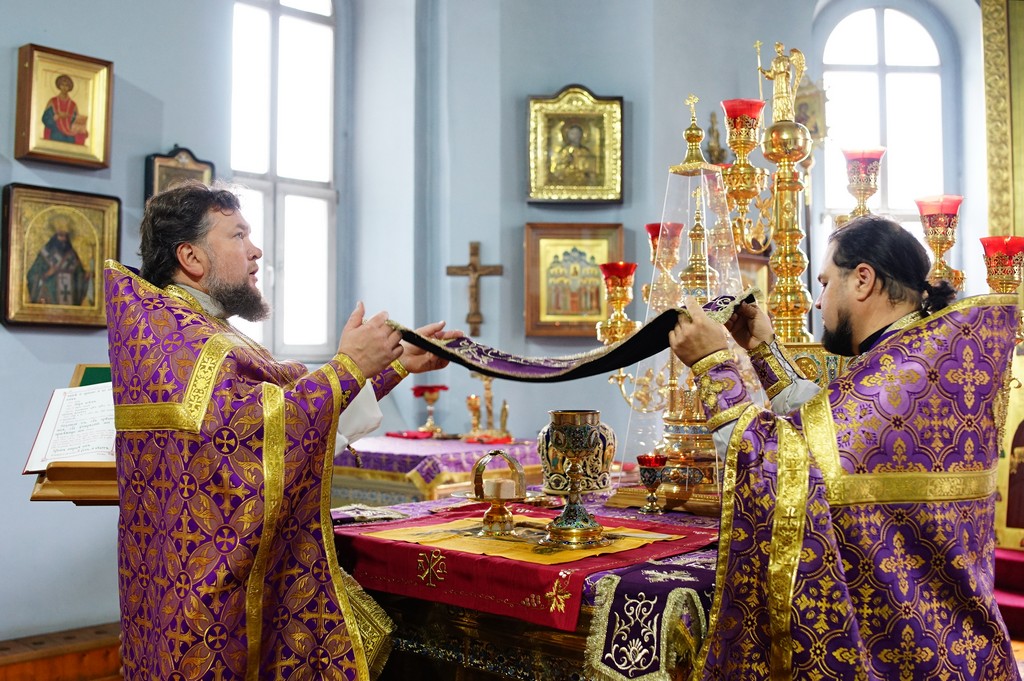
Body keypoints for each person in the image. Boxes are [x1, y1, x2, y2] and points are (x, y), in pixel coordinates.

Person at [104, 180, 458, 680]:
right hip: (209, 608)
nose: (256, 251)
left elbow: (285, 408)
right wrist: (349, 366)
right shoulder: (187, 339)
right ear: (191, 257)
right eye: (238, 235)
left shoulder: (189, 329)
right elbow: (252, 436)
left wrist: (391, 365)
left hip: (180, 588)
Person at [668, 215, 1021, 679]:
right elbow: (832, 432)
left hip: (903, 656)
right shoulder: (923, 362)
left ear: (862, 279)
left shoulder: (897, 376)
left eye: (824, 283)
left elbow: (783, 470)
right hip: (957, 647)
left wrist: (714, 366)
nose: (818, 301)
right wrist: (763, 350)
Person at [26, 214, 92, 305]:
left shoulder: (72, 255)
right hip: (50, 299)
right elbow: (32, 275)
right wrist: (47, 274)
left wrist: (85, 277)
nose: (63, 239)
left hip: (70, 301)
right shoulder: (45, 253)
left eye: (65, 236)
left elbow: (79, 275)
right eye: (60, 236)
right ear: (54, 237)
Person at [759, 42, 804, 124]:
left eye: (779, 47)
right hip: (777, 83)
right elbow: (772, 74)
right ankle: (778, 116)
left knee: (785, 96)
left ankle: (787, 115)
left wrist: (786, 74)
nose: (778, 49)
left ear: (782, 48)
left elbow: (789, 71)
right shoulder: (774, 61)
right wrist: (763, 71)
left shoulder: (786, 59)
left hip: (784, 81)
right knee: (777, 97)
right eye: (776, 47)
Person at [42, 74, 88, 144]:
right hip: (55, 132)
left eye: (66, 85)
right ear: (59, 86)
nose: (64, 87)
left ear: (69, 87)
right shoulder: (52, 102)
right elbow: (45, 118)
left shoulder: (73, 105)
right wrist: (55, 117)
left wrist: (79, 125)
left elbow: (76, 122)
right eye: (62, 85)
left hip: (69, 135)